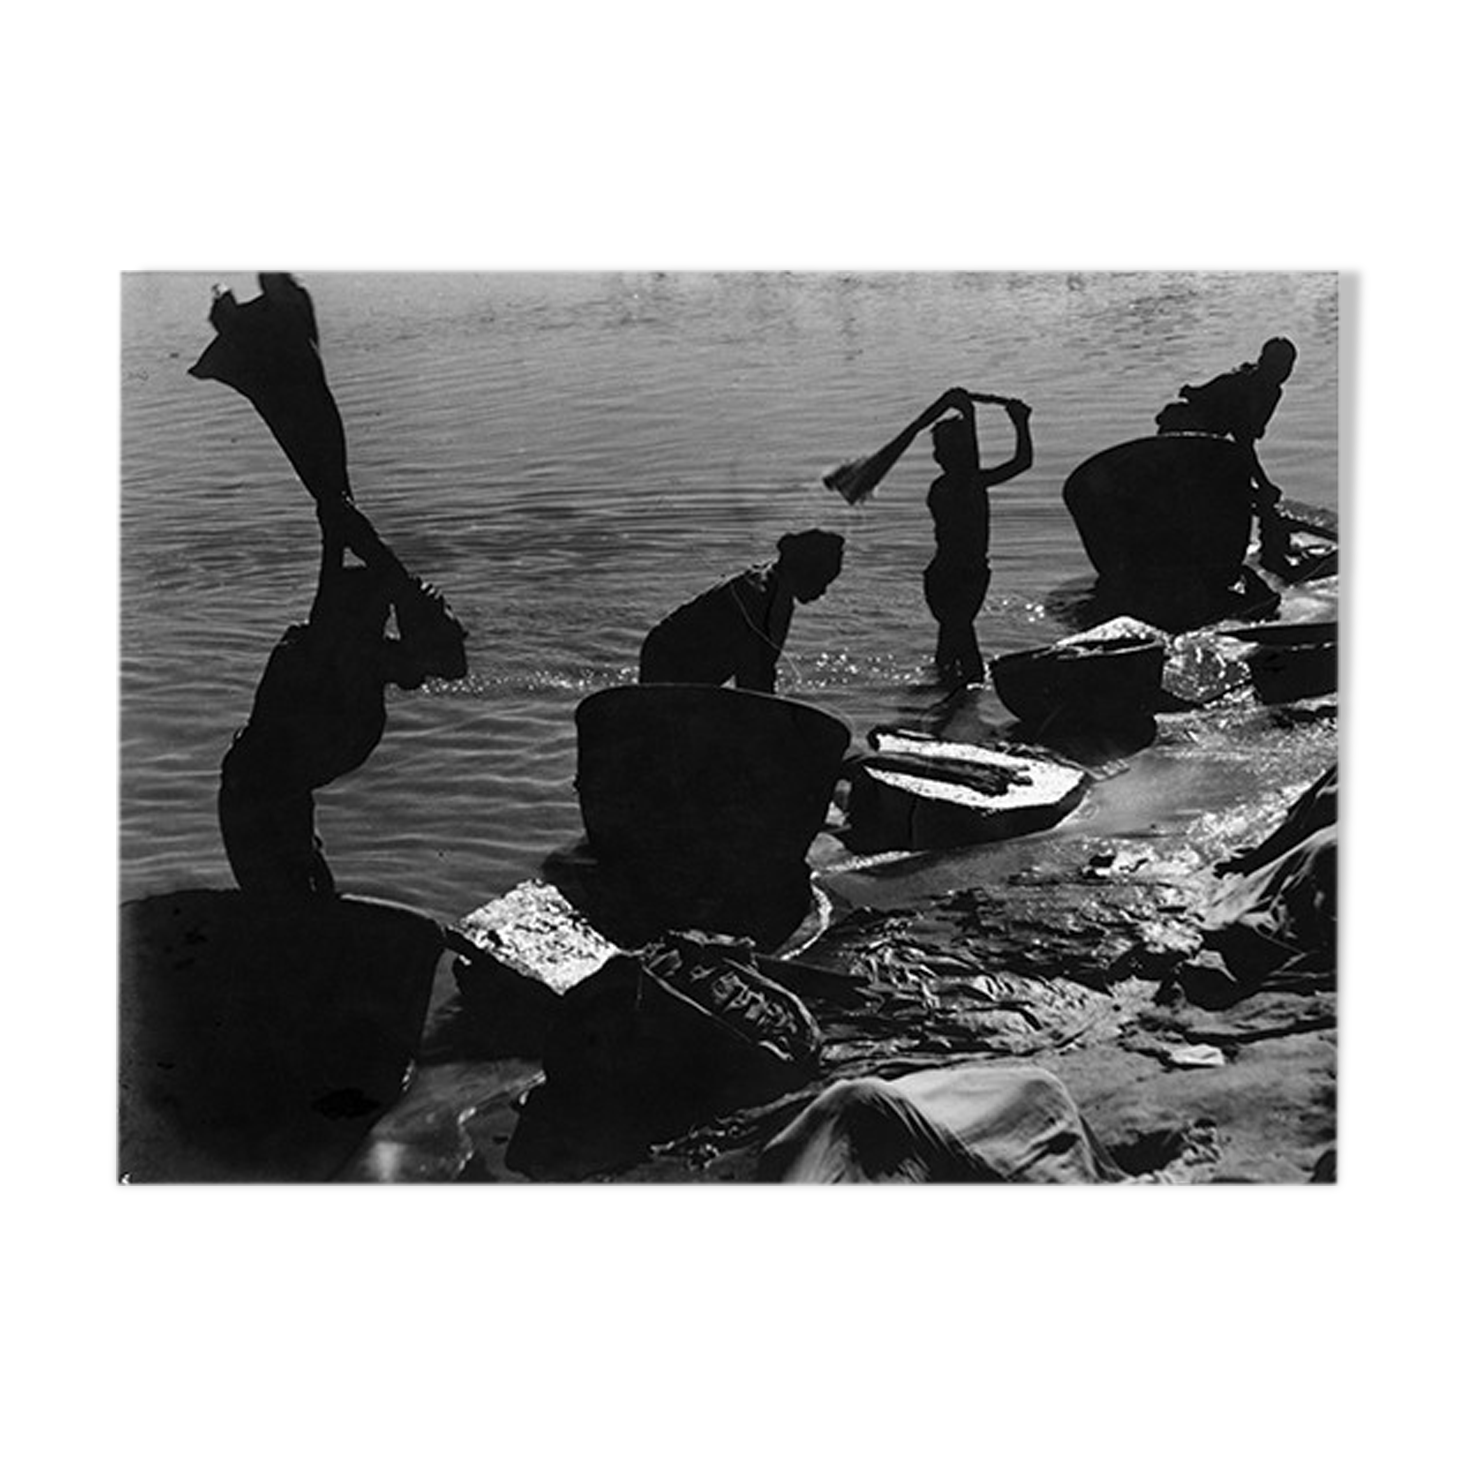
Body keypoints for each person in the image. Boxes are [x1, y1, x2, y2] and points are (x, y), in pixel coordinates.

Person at [219, 498, 468, 896]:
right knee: (291, 905)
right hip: (256, 801)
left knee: (311, 899)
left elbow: (452, 665)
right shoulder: (326, 653)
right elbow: (439, 660)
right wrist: (404, 588)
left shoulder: (361, 653)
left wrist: (407, 592)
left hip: (283, 796)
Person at [638, 529, 845, 693]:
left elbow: (762, 667)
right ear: (804, 572)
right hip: (669, 658)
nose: (823, 590)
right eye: (823, 581)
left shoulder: (777, 589)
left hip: (670, 650)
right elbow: (753, 677)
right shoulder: (761, 596)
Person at [1154, 338, 1298, 570]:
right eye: (1274, 365)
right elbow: (1243, 443)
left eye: (1286, 367)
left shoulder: (1271, 392)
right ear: (1262, 361)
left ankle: (1268, 547)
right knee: (1213, 493)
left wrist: (1261, 486)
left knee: (1241, 483)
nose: (1281, 373)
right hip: (1181, 438)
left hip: (1212, 445)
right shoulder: (1242, 386)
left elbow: (1245, 441)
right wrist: (1262, 484)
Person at [923, 389, 1033, 687]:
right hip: (956, 578)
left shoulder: (957, 484)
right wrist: (1015, 422)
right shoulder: (955, 488)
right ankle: (966, 704)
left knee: (949, 646)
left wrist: (1015, 422)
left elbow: (1019, 462)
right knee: (968, 657)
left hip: (953, 577)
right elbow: (1018, 462)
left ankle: (945, 704)